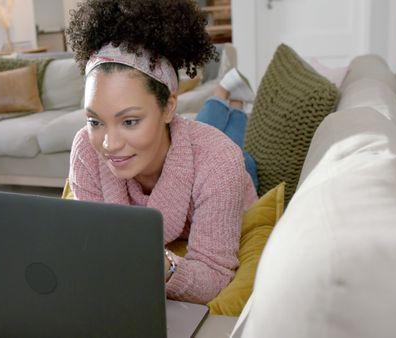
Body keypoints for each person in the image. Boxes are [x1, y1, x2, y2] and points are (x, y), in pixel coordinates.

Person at [66, 0, 258, 304]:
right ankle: (227, 97)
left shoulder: (221, 163)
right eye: (95, 121)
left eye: (129, 121)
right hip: (178, 139)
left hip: (232, 169)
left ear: (169, 105)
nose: (109, 144)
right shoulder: (86, 149)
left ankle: (231, 99)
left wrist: (162, 267)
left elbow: (215, 276)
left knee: (232, 136)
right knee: (206, 121)